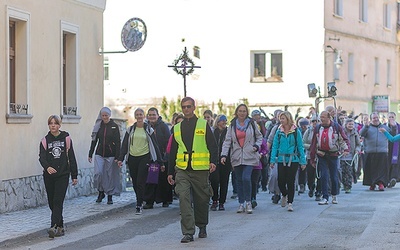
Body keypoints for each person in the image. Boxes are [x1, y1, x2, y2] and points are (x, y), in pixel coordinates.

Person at [167, 97, 218, 243]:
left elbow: (212, 145)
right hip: (182, 169)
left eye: (189, 106)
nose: (186, 109)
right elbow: (173, 152)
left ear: (194, 107)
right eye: (183, 107)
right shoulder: (176, 128)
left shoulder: (203, 124)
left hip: (200, 169)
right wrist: (170, 172)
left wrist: (213, 162)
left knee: (201, 200)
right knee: (183, 198)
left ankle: (202, 225)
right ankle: (188, 232)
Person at [118, 108, 164, 215]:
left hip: (145, 157)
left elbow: (155, 146)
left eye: (141, 114)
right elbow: (125, 144)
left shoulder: (148, 130)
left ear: (144, 116)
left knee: (140, 181)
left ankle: (139, 204)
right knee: (134, 181)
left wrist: (160, 162)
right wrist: (120, 158)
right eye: (137, 114)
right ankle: (139, 198)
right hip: (133, 158)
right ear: (135, 116)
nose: (139, 116)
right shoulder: (130, 130)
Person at [39, 115, 78, 238]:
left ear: (59, 125)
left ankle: (53, 226)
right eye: (51, 123)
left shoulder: (66, 138)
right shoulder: (45, 140)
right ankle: (60, 226)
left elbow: (71, 157)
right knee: (51, 202)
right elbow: (42, 157)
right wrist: (47, 167)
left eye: (55, 123)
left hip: (63, 175)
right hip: (49, 176)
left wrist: (74, 175)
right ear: (48, 125)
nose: (53, 125)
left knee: (58, 200)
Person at [221, 104, 263, 214]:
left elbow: (259, 137)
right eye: (240, 111)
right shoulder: (232, 125)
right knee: (239, 180)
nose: (242, 113)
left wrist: (257, 146)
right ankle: (241, 203)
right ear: (236, 112)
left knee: (246, 178)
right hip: (236, 156)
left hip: (250, 155)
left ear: (247, 112)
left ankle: (248, 202)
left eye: (244, 111)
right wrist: (223, 155)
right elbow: (227, 141)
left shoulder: (252, 124)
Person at [310, 111, 349, 205]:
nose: (321, 119)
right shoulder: (317, 128)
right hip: (321, 155)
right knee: (323, 176)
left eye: (323, 117)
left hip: (333, 155)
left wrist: (346, 150)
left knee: (334, 176)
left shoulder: (336, 127)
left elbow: (343, 139)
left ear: (329, 118)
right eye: (321, 117)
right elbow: (313, 143)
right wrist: (312, 158)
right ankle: (325, 197)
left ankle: (334, 195)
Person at [270, 111, 306, 212]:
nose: (281, 121)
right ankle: (284, 194)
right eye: (280, 119)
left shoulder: (296, 131)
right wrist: (272, 160)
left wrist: (303, 162)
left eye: (283, 118)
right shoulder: (279, 132)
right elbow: (275, 146)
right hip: (281, 159)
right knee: (280, 180)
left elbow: (300, 146)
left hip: (293, 159)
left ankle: (290, 202)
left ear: (288, 119)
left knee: (290, 181)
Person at [88, 107, 121, 205]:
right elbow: (94, 141)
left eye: (106, 115)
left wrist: (117, 156)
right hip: (99, 154)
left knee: (109, 175)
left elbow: (118, 142)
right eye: (103, 115)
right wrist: (90, 153)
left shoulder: (114, 126)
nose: (105, 117)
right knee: (98, 173)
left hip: (110, 155)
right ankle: (101, 192)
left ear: (109, 115)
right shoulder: (98, 126)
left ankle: (109, 196)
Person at [143, 107, 172, 209]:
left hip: (162, 157)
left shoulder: (163, 126)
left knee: (163, 180)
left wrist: (165, 156)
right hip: (150, 157)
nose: (152, 117)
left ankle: (165, 200)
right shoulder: (145, 126)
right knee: (150, 180)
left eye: (153, 115)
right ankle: (149, 201)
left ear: (158, 115)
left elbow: (169, 142)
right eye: (150, 115)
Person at [360, 112, 390, 191]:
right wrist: (366, 126)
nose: (376, 119)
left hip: (382, 151)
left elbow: (391, 135)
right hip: (370, 151)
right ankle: (372, 184)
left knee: (381, 170)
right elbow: (361, 134)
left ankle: (381, 184)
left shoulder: (384, 127)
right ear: (371, 119)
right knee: (370, 169)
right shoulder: (367, 127)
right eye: (374, 118)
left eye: (377, 117)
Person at [210, 114, 231, 211]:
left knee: (224, 181)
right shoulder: (213, 132)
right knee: (214, 180)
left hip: (225, 160)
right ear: (218, 122)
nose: (224, 122)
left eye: (225, 120)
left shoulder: (228, 132)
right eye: (223, 120)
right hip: (214, 160)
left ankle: (222, 201)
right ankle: (214, 200)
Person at [302, 114, 321, 200]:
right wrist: (311, 146)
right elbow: (303, 143)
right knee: (310, 175)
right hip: (310, 156)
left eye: (317, 121)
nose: (315, 123)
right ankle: (311, 187)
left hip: (320, 156)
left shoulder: (322, 130)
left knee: (320, 175)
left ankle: (318, 192)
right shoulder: (308, 131)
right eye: (313, 121)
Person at [340, 118, 361, 193]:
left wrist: (357, 150)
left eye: (352, 124)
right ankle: (343, 184)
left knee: (349, 172)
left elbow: (358, 144)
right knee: (342, 172)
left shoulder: (355, 133)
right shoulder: (341, 132)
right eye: (349, 124)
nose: (351, 126)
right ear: (345, 125)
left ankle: (348, 186)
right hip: (342, 156)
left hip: (351, 156)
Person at [383, 112, 400, 187]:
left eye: (392, 117)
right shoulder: (384, 126)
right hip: (386, 147)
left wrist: (394, 127)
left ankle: (393, 178)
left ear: (395, 117)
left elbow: (393, 138)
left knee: (395, 163)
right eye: (390, 117)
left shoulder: (398, 127)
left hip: (396, 147)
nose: (391, 119)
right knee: (387, 163)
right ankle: (387, 179)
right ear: (387, 118)